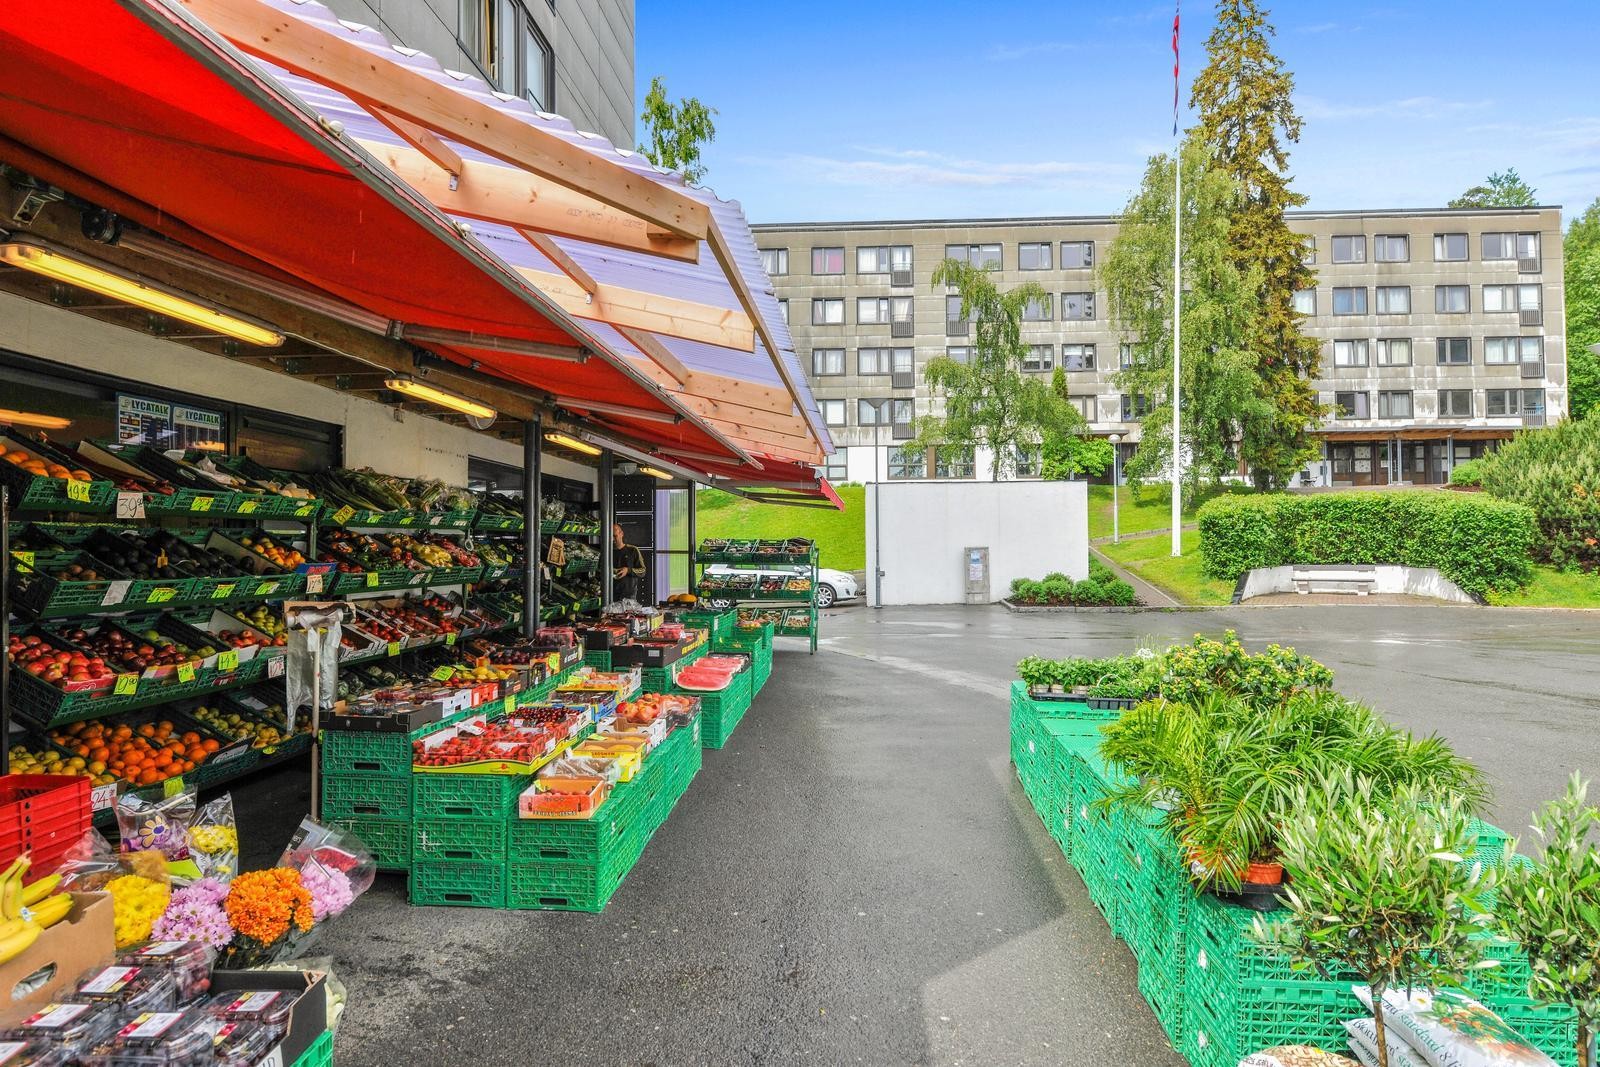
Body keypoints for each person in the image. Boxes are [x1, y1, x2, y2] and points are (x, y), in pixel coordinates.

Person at [612, 523, 647, 603]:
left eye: (615, 536)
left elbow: (643, 571)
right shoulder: (606, 552)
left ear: (622, 534)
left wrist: (628, 570)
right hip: (610, 596)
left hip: (629, 597)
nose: (613, 539)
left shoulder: (633, 550)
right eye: (610, 537)